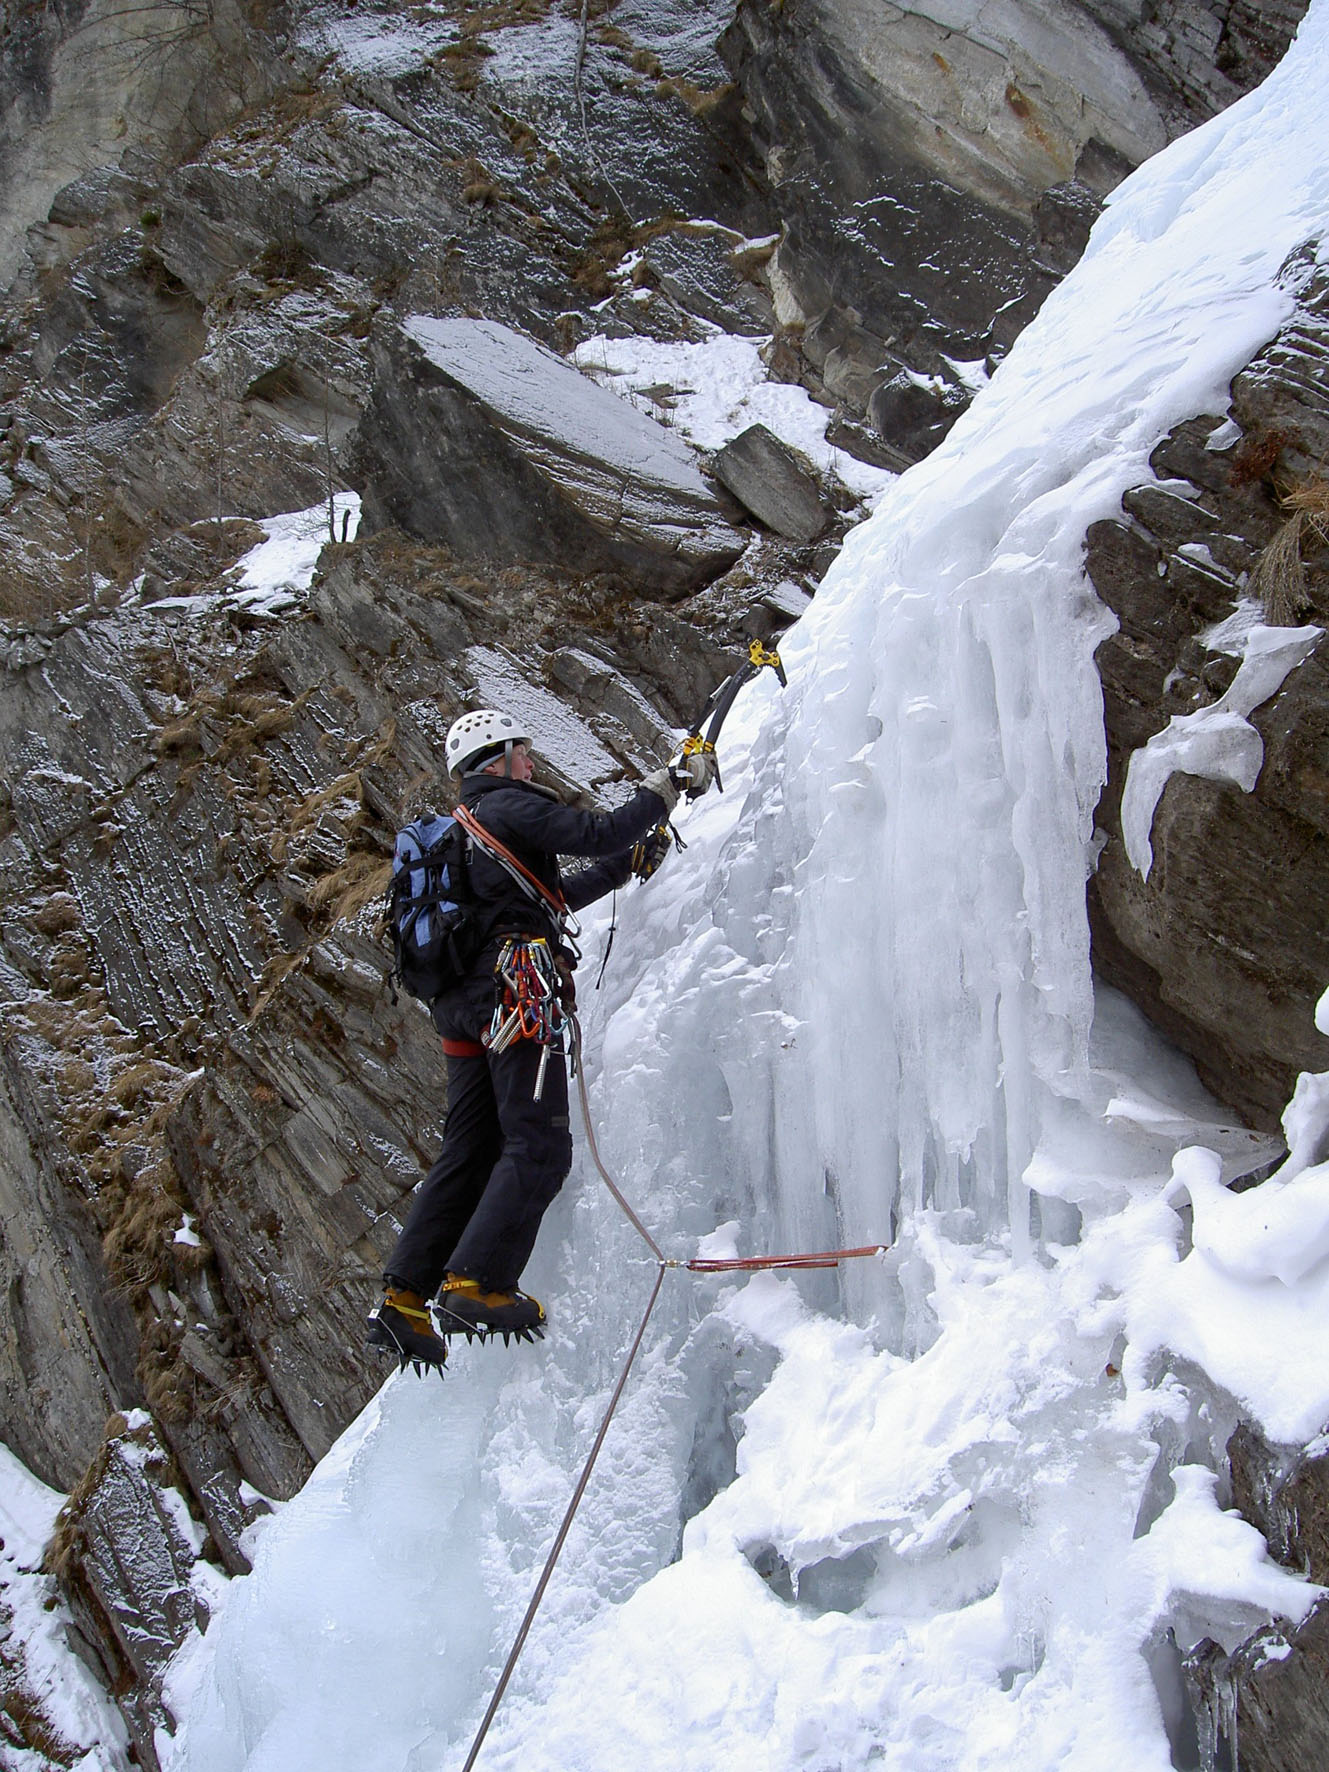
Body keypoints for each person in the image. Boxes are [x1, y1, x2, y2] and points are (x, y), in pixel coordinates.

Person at [369, 707, 715, 1369]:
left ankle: (403, 1300)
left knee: (470, 1148)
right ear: (496, 759)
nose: (532, 765)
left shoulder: (471, 828)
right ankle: (476, 1281)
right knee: (539, 1143)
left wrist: (620, 869)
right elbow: (604, 828)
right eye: (524, 753)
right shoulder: (507, 805)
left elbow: (550, 896)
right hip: (513, 994)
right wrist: (672, 781)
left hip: (462, 1005)